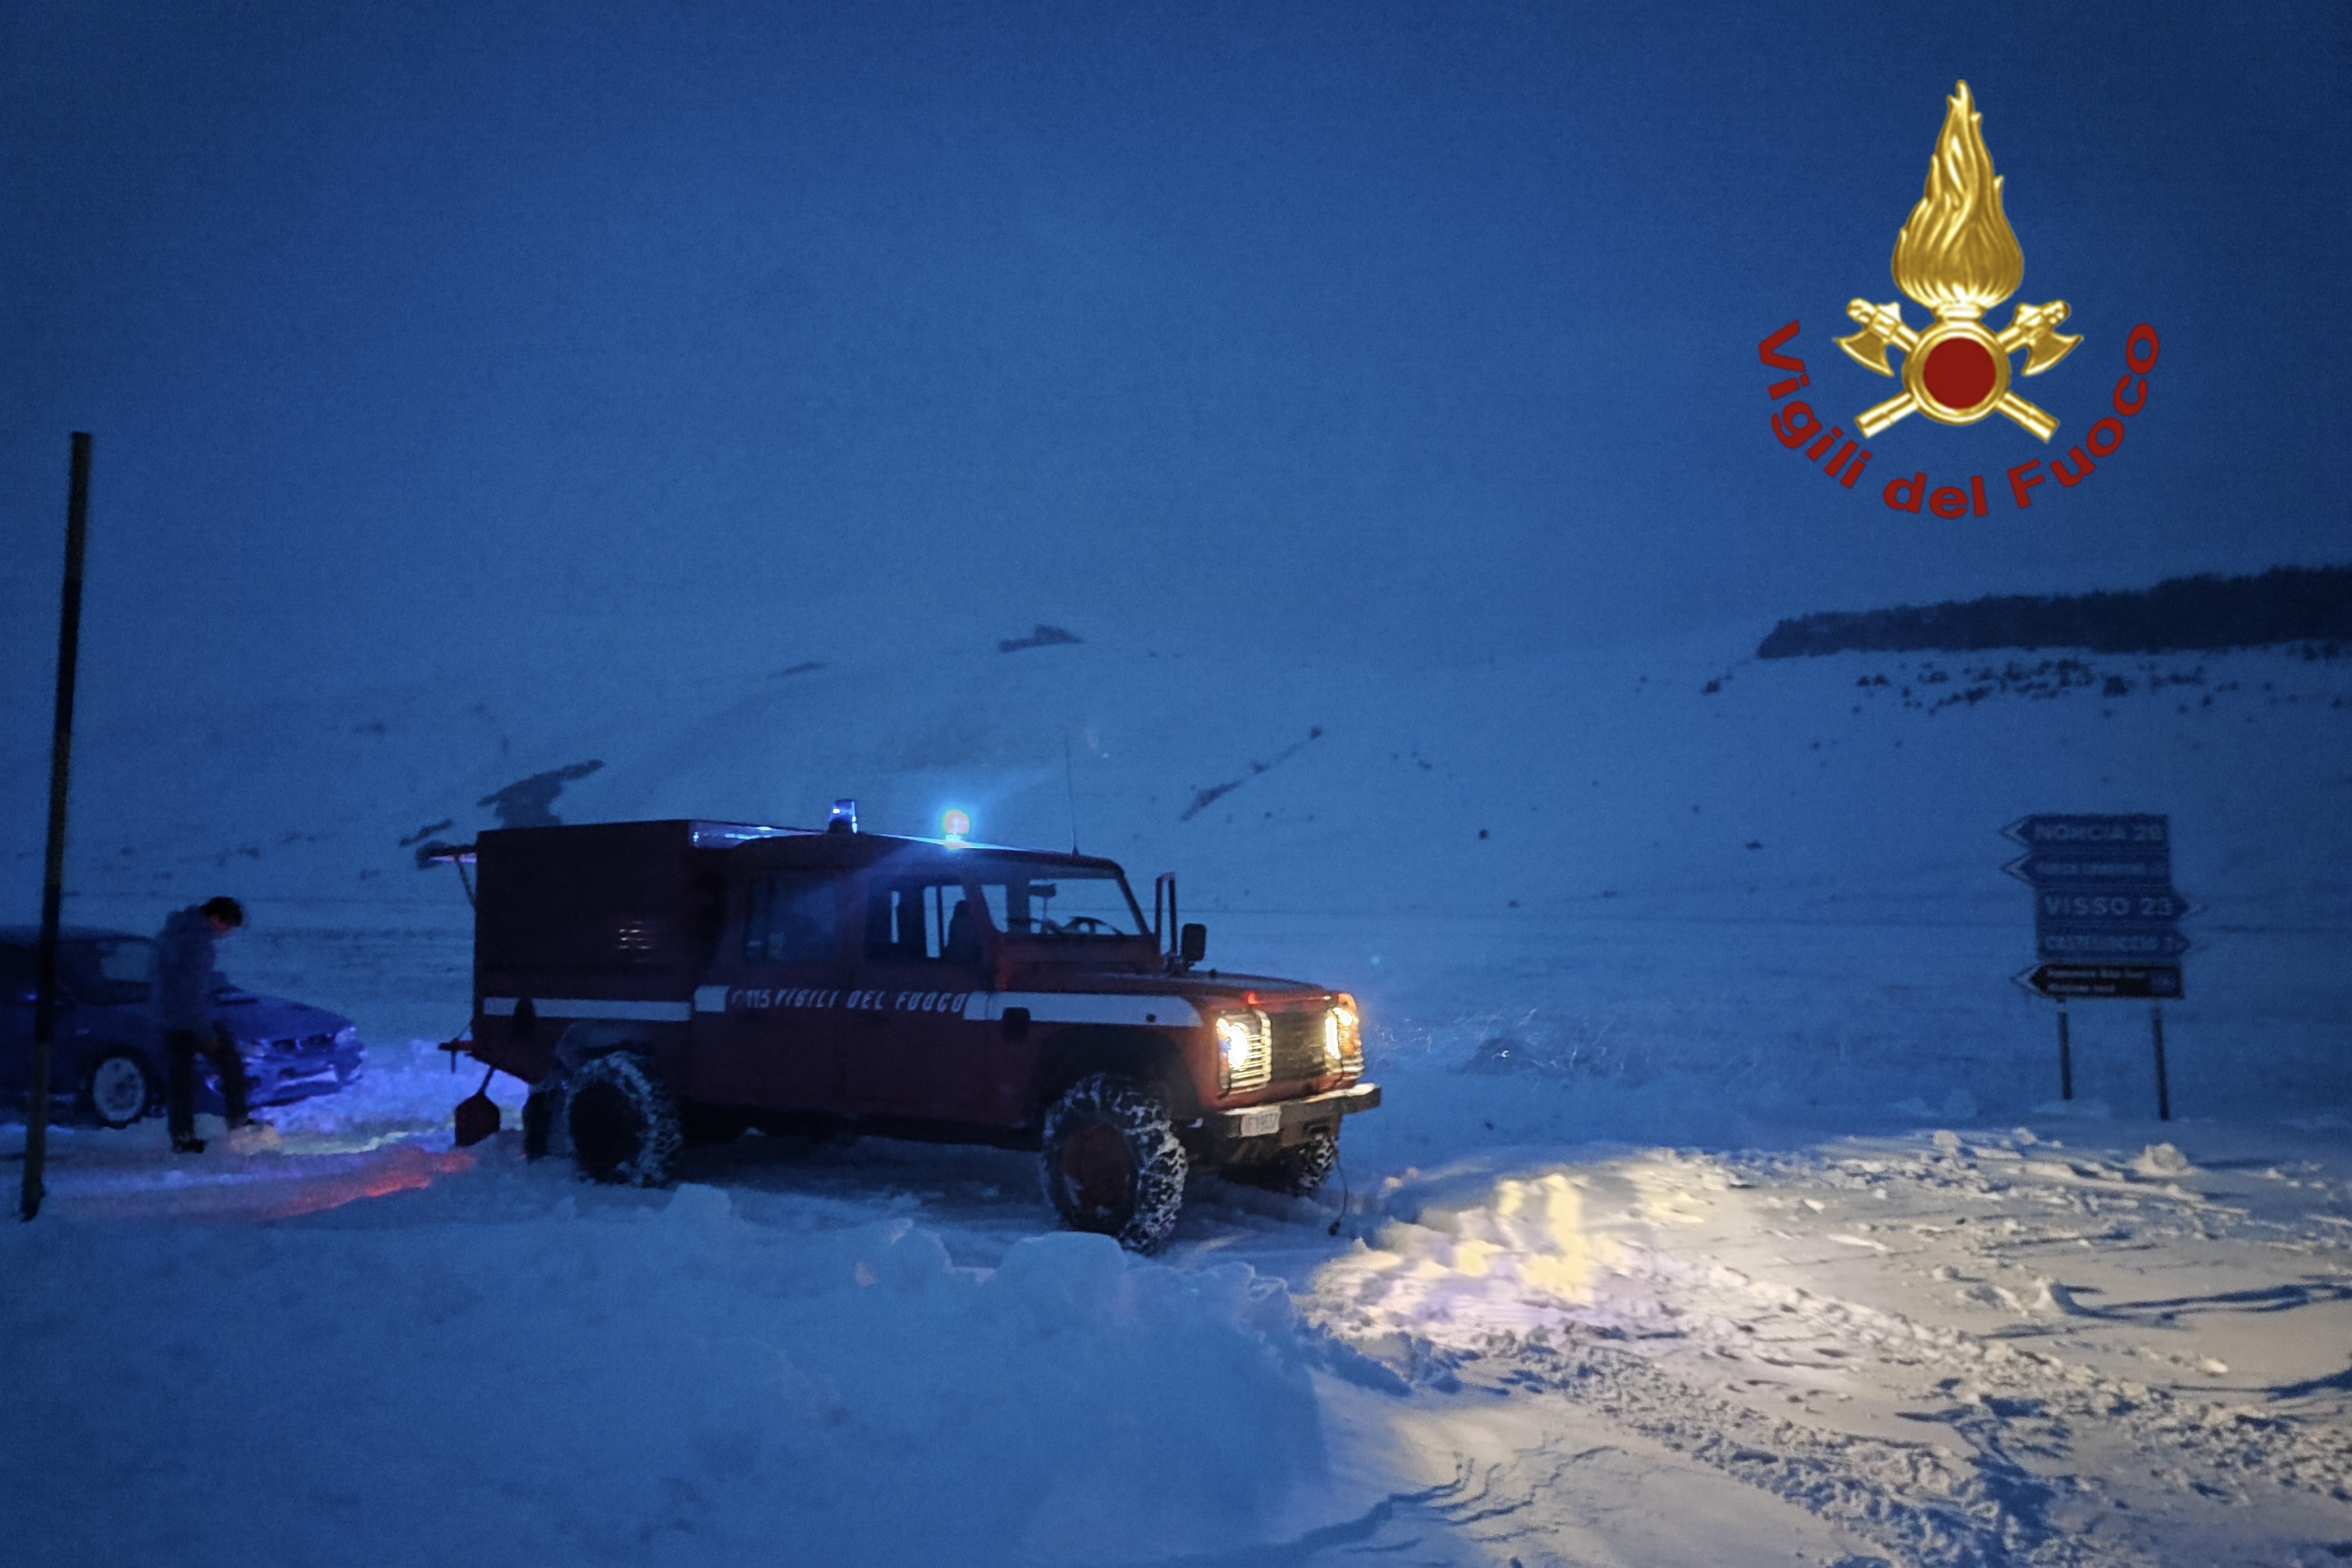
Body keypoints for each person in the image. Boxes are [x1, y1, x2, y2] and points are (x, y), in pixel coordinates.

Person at [152, 895, 252, 1153]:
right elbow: (192, 991)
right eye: (227, 927)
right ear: (216, 919)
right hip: (192, 1020)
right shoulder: (199, 945)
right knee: (231, 1067)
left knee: (180, 1081)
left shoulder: (171, 933)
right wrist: (205, 1031)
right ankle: (239, 1123)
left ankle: (182, 1136)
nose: (225, 934)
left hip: (168, 1017)